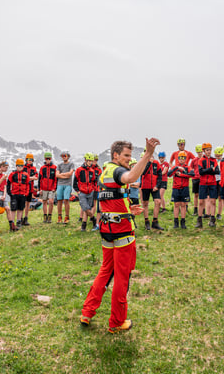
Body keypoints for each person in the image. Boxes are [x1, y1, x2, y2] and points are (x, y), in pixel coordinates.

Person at [80, 137, 160, 333]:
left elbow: (110, 198)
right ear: (115, 155)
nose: (128, 159)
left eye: (130, 156)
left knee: (105, 271)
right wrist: (148, 154)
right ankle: (117, 321)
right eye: (126, 155)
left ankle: (87, 312)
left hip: (107, 229)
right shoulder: (117, 171)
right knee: (122, 277)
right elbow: (131, 177)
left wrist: (128, 209)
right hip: (122, 231)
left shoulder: (104, 172)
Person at [195, 143, 219, 228]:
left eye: (210, 150)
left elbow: (217, 171)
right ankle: (199, 220)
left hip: (212, 183)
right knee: (201, 202)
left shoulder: (214, 160)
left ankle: (212, 220)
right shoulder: (201, 160)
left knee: (213, 201)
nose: (209, 151)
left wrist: (207, 170)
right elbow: (201, 172)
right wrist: (210, 169)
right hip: (203, 183)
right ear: (204, 151)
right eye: (207, 150)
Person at [167, 152, 194, 229]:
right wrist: (177, 168)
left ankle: (183, 222)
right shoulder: (175, 167)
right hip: (176, 188)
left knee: (183, 204)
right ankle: (176, 222)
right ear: (178, 159)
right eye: (180, 158)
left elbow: (192, 174)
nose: (181, 160)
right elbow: (169, 174)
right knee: (176, 204)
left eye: (183, 158)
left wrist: (181, 174)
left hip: (184, 188)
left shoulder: (187, 167)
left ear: (186, 159)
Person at [140, 151, 164, 230]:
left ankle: (155, 222)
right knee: (145, 203)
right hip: (145, 186)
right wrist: (149, 163)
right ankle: (146, 222)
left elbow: (160, 175)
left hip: (154, 187)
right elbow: (143, 173)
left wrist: (157, 186)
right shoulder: (143, 162)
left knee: (158, 202)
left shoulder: (156, 163)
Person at [74, 153, 98, 232]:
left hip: (90, 192)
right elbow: (75, 181)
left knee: (87, 209)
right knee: (86, 208)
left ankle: (83, 226)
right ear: (85, 160)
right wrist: (78, 191)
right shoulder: (79, 170)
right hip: (82, 193)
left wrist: (93, 189)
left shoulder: (92, 171)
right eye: (89, 161)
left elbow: (94, 181)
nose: (90, 162)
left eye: (91, 161)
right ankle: (94, 219)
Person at [7, 158, 30, 229]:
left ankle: (19, 221)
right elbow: (8, 183)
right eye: (18, 166)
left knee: (20, 208)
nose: (20, 167)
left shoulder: (26, 175)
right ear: (16, 166)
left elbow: (28, 184)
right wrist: (10, 193)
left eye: (21, 166)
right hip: (14, 194)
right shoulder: (12, 174)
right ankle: (12, 223)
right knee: (13, 209)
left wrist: (26, 193)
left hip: (22, 194)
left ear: (23, 166)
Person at [56, 151, 75, 224]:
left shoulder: (71, 164)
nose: (64, 157)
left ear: (68, 156)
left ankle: (67, 217)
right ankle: (59, 217)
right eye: (62, 156)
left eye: (65, 155)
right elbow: (57, 175)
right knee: (59, 200)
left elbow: (70, 174)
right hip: (60, 184)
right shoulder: (59, 165)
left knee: (66, 200)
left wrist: (61, 174)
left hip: (68, 184)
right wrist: (65, 175)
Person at [38, 153, 57, 224]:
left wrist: (54, 188)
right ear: (45, 159)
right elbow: (40, 179)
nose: (48, 160)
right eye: (47, 159)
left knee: (51, 202)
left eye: (49, 158)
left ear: (51, 159)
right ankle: (45, 216)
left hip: (52, 188)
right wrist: (40, 189)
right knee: (44, 202)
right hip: (44, 188)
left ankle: (50, 216)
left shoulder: (54, 167)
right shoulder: (42, 168)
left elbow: (56, 179)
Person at [22, 154, 38, 226]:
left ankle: (25, 218)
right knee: (22, 204)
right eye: (28, 159)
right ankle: (20, 219)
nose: (30, 161)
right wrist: (31, 177)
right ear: (26, 160)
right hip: (23, 188)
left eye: (31, 160)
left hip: (30, 188)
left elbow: (36, 177)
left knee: (28, 203)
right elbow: (21, 177)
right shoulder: (23, 167)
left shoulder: (34, 168)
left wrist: (27, 178)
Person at [190, 144, 203, 216]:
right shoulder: (194, 160)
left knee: (203, 195)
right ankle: (195, 210)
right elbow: (190, 168)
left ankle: (203, 210)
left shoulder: (204, 159)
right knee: (196, 194)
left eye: (201, 152)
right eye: (198, 152)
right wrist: (193, 174)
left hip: (203, 179)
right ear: (197, 152)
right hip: (195, 179)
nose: (200, 153)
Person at [214, 146, 224, 220]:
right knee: (212, 198)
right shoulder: (213, 161)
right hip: (214, 180)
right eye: (216, 156)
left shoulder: (223, 161)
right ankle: (211, 213)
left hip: (221, 180)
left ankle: (219, 214)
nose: (217, 157)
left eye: (219, 156)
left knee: (220, 198)